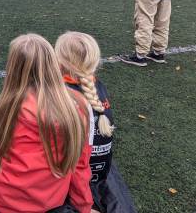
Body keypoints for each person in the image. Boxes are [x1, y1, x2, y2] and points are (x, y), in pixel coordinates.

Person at [0, 33, 93, 213]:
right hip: (52, 203)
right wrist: (84, 207)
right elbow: (80, 166)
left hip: (2, 203)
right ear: (54, 64)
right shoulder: (77, 107)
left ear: (12, 68)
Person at [55, 32, 137, 213]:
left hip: (78, 177)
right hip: (101, 172)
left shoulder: (60, 96)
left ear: (58, 61)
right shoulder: (97, 87)